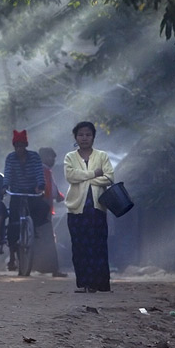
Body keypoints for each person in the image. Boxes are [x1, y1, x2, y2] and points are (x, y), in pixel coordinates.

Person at [63, 121, 115, 293]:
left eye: (88, 134)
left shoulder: (102, 156)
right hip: (76, 210)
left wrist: (85, 178)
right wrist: (94, 174)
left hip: (97, 209)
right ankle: (84, 282)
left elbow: (109, 178)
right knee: (79, 247)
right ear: (75, 137)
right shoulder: (70, 157)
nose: (84, 138)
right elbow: (71, 176)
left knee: (98, 246)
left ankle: (98, 284)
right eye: (81, 135)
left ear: (93, 137)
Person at [2, 129, 48, 272]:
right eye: (17, 145)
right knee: (13, 224)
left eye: (22, 145)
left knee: (43, 208)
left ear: (25, 145)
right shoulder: (10, 158)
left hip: (31, 191)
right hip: (16, 192)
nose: (19, 148)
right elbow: (8, 173)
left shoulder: (34, 157)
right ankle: (12, 256)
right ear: (14, 146)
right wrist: (5, 186)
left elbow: (39, 173)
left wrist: (40, 186)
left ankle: (33, 229)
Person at [32, 147, 67, 277]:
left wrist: (59, 195)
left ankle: (41, 266)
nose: (52, 160)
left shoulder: (40, 169)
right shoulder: (44, 170)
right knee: (48, 238)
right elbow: (51, 190)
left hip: (39, 206)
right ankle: (53, 268)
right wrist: (59, 197)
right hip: (43, 207)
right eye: (50, 157)